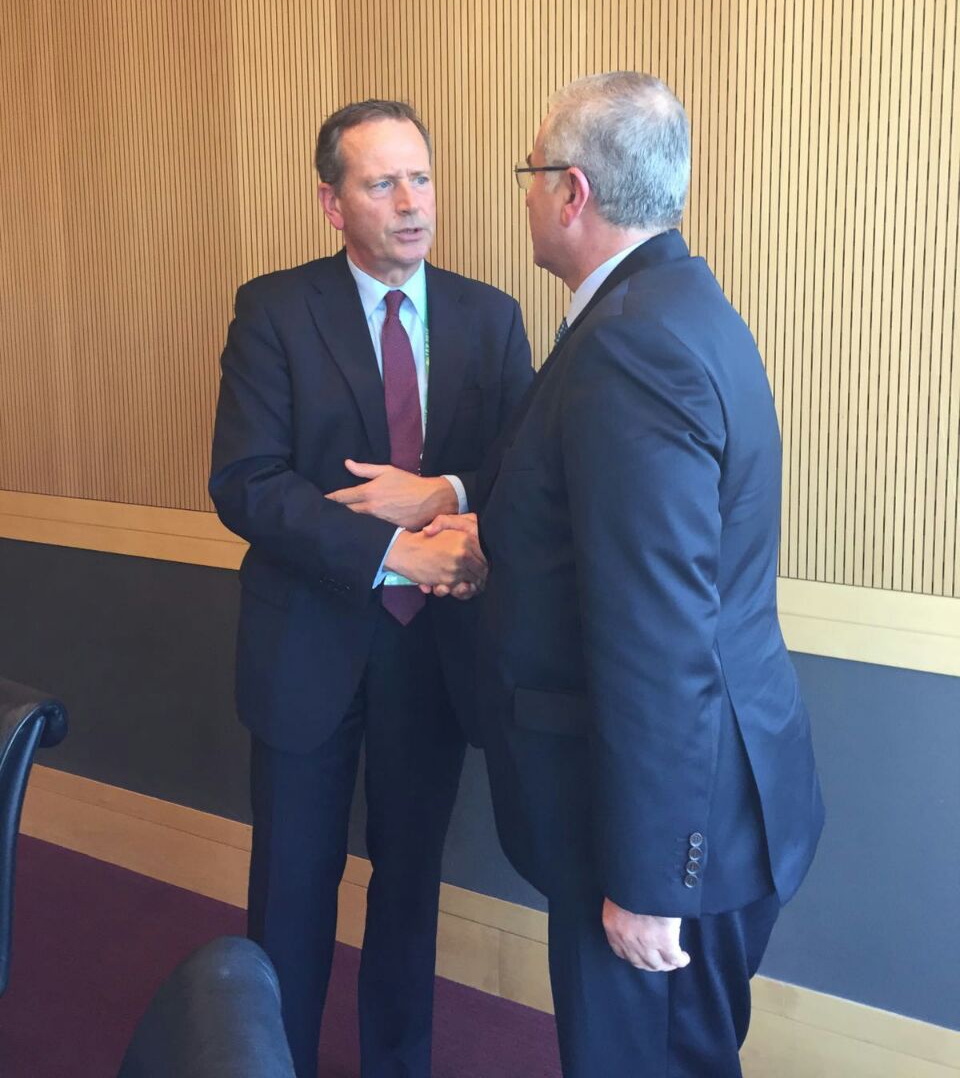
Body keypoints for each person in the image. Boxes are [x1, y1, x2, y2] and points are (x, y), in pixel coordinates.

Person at [432, 71, 824, 1076]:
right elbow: (595, 537)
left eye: (529, 173)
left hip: (664, 832)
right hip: (702, 794)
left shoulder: (631, 344)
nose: (523, 194)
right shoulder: (671, 304)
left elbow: (658, 631)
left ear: (572, 191)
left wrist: (650, 879)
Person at [209, 99, 533, 1078]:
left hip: (432, 655)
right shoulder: (274, 310)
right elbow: (247, 482)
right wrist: (396, 552)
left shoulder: (489, 316)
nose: (410, 202)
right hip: (307, 646)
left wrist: (447, 494)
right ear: (332, 202)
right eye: (381, 182)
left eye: (421, 178)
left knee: (408, 889)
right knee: (292, 889)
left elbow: (522, 467)